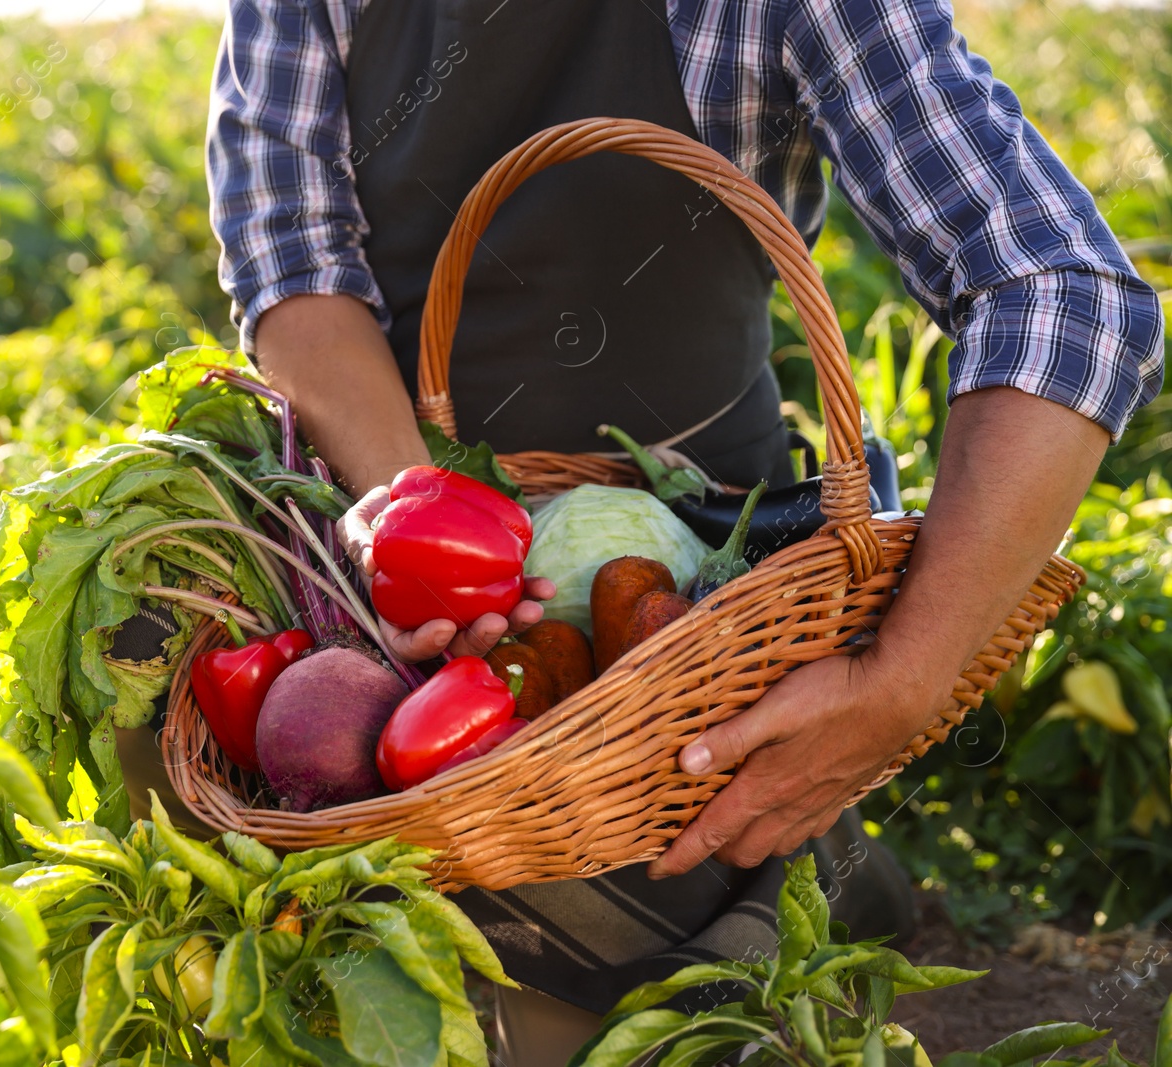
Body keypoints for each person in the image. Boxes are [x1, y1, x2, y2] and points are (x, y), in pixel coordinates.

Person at [193, 0, 1164, 1060]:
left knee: (633, 948)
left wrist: (906, 675)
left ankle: (780, 871)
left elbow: (1064, 295)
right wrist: (423, 538)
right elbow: (294, 269)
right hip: (412, 542)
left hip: (700, 566)